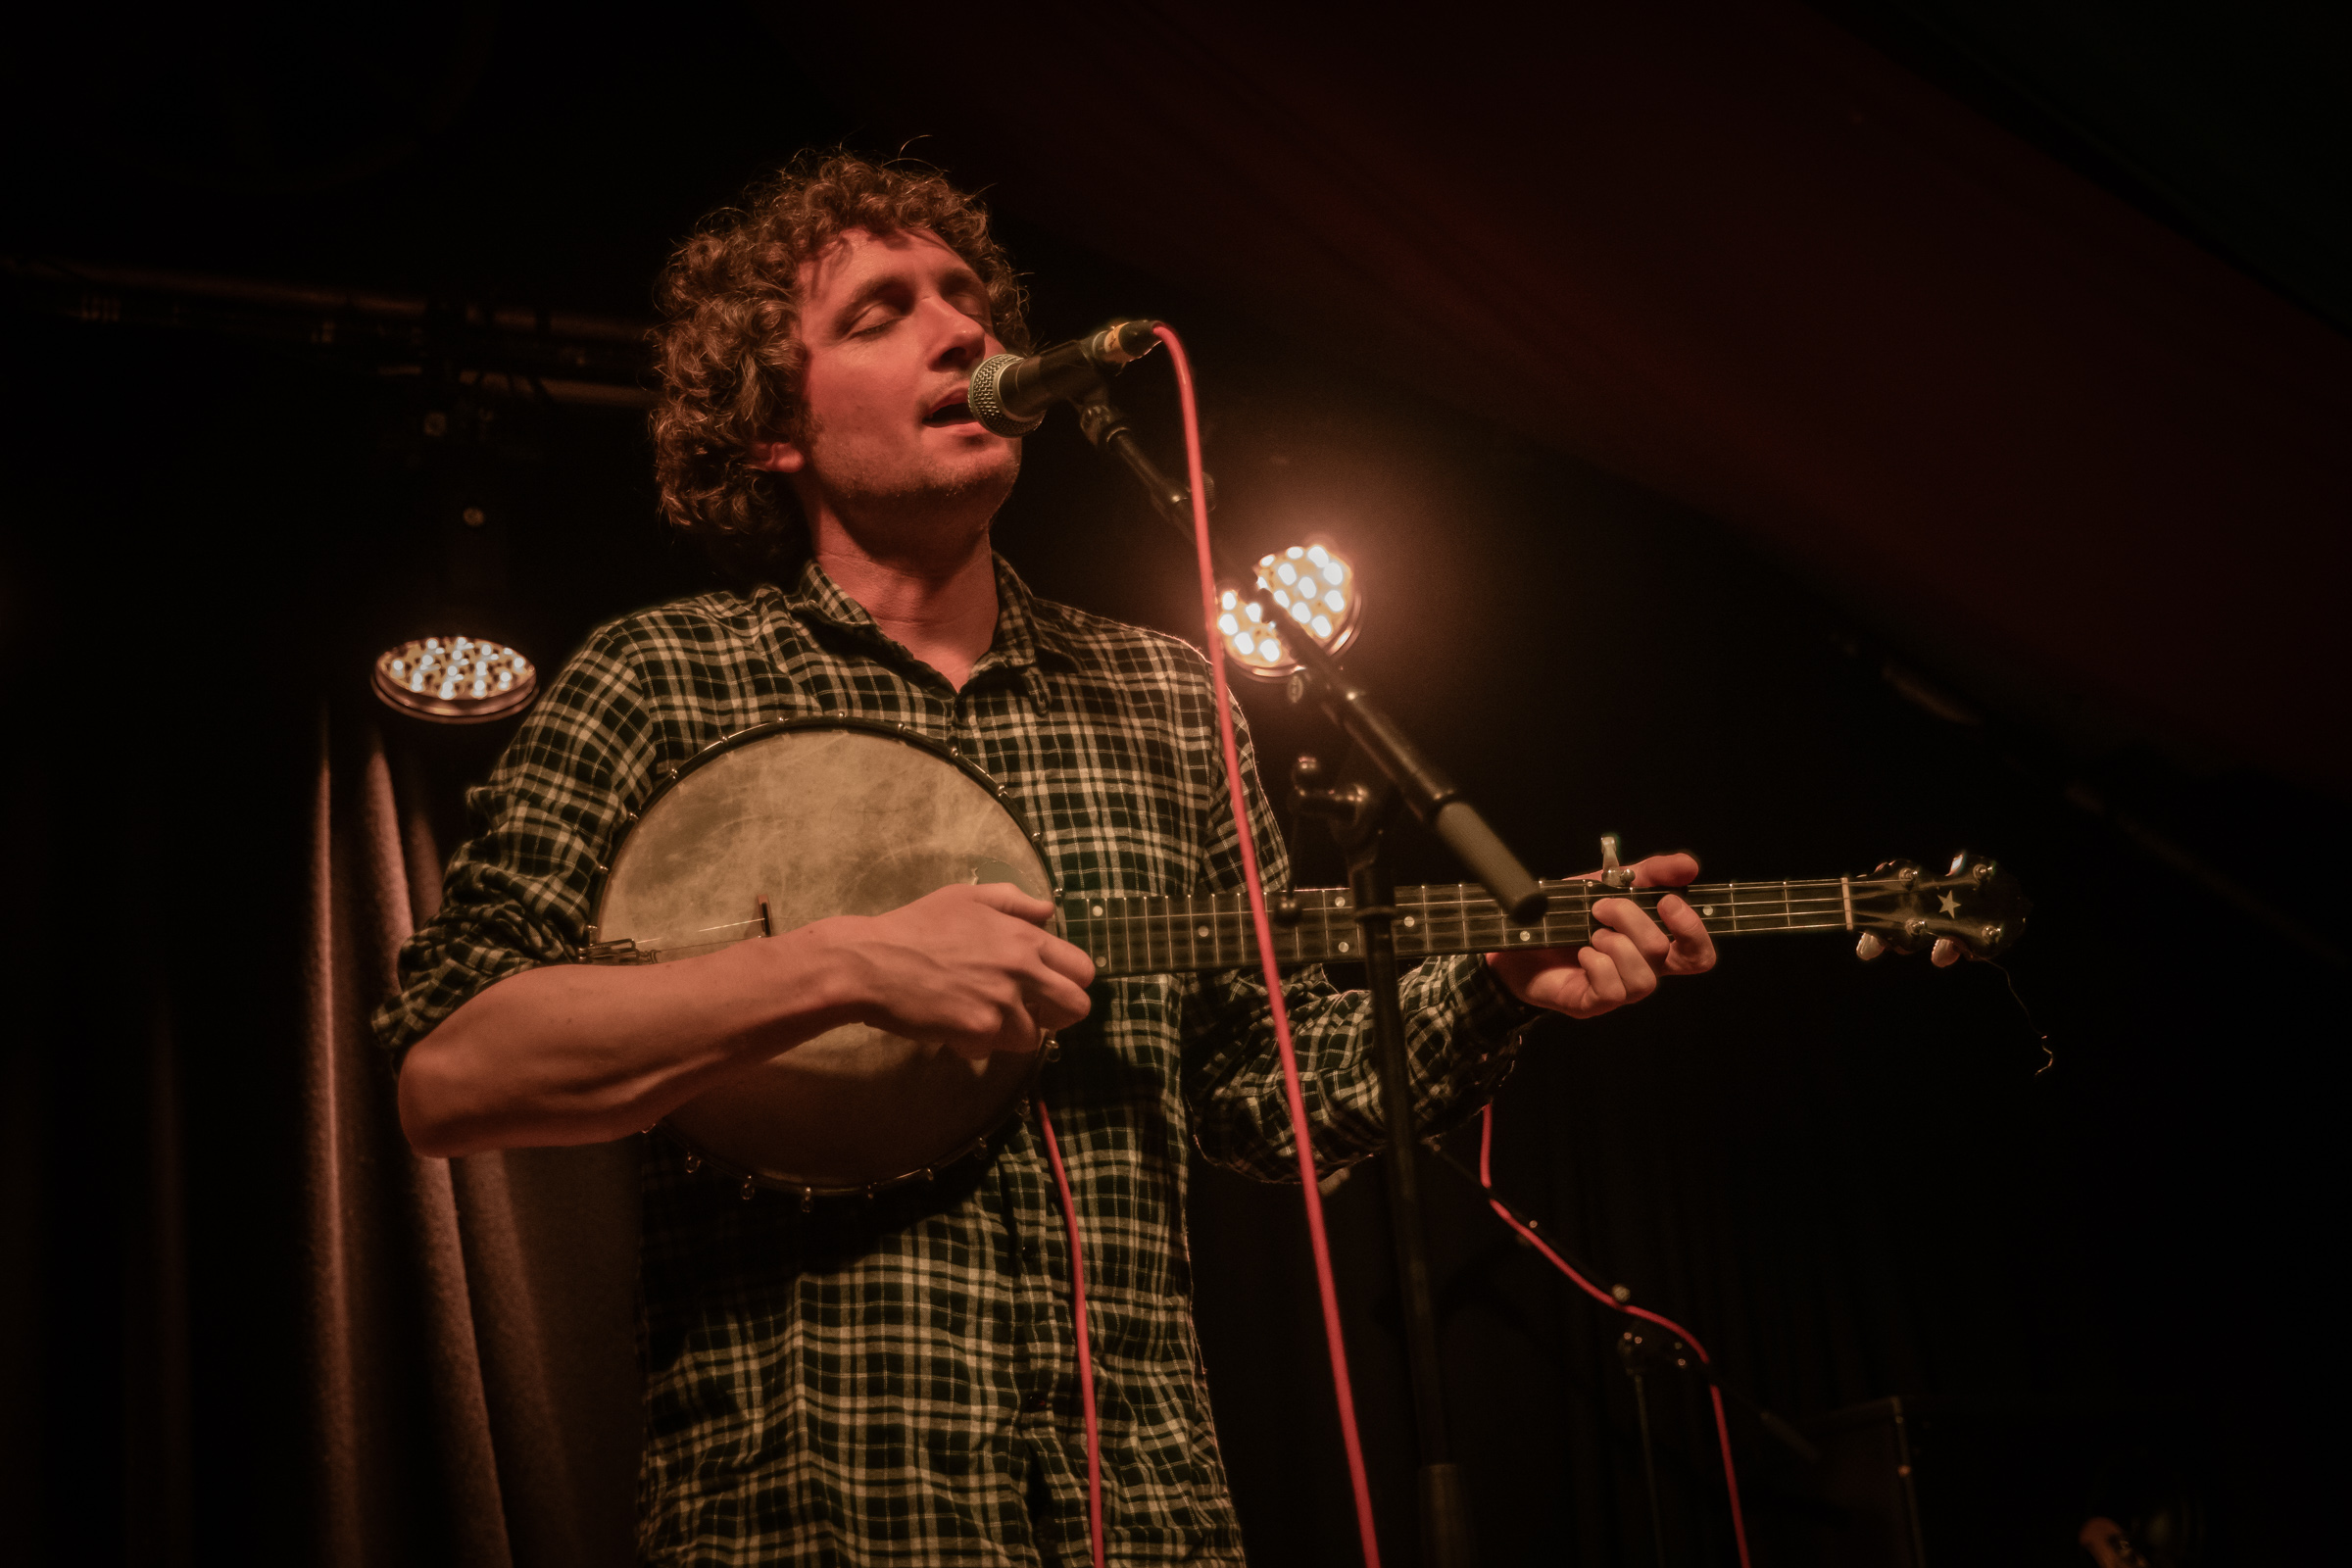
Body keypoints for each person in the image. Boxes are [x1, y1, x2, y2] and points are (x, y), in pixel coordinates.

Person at [377, 153, 1718, 1566]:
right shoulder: (662, 679)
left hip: (1145, 1513)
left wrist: (1495, 986)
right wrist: (844, 964)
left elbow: (1256, 1092)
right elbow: (452, 1071)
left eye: (968, 296)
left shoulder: (1166, 698)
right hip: (818, 1519)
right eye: (882, 313)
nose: (963, 331)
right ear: (775, 426)